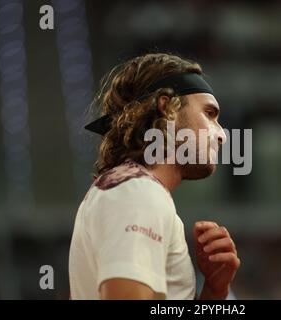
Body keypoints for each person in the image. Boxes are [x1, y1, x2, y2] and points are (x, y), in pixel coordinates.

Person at [69, 53, 240, 300]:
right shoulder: (137, 192)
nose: (222, 135)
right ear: (167, 108)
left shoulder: (133, 189)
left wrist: (214, 292)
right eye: (209, 113)